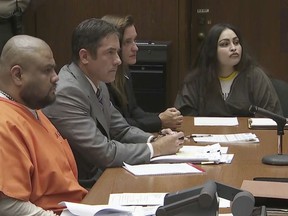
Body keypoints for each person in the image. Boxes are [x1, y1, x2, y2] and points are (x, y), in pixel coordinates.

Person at [42, 18, 184, 184]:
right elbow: (104, 153)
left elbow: (121, 129)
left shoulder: (99, 82)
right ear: (85, 56)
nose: (118, 60)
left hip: (101, 177)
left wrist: (153, 140)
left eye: (117, 52)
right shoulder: (67, 92)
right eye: (110, 52)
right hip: (80, 186)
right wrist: (157, 149)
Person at [0, 35, 87, 215]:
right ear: (18, 75)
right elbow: (9, 207)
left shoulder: (32, 109)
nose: (56, 78)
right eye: (47, 70)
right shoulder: (4, 122)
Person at [174, 23, 283, 117]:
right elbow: (184, 116)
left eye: (236, 42)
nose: (233, 48)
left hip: (249, 138)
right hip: (206, 137)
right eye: (225, 44)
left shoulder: (255, 76)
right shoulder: (196, 80)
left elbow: (271, 116)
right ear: (212, 51)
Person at [101, 14, 183, 133]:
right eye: (128, 42)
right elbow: (119, 124)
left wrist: (164, 116)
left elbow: (134, 111)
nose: (135, 48)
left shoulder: (124, 71)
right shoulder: (103, 78)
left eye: (134, 40)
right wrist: (159, 121)